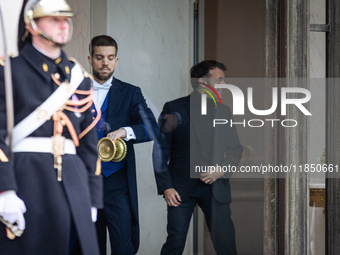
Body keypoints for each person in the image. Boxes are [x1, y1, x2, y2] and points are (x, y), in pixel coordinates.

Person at [0, 0, 103, 254]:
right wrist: (5, 190)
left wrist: (92, 196)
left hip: (75, 183)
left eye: (66, 19)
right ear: (32, 25)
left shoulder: (79, 77)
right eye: (54, 20)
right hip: (28, 181)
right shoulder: (9, 71)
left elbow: (89, 144)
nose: (63, 26)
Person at [154, 60, 243, 255]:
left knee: (226, 244)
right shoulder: (173, 107)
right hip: (180, 188)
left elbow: (236, 149)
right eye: (219, 80)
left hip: (216, 188)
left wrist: (222, 170)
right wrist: (166, 186)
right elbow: (161, 149)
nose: (223, 85)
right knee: (175, 243)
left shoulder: (224, 111)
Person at [88, 35, 158, 255]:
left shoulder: (131, 92)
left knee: (123, 249)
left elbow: (152, 129)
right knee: (87, 247)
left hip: (116, 184)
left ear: (116, 60)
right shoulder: (73, 92)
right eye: (99, 57)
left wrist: (126, 131)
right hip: (83, 181)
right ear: (90, 59)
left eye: (110, 57)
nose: (105, 63)